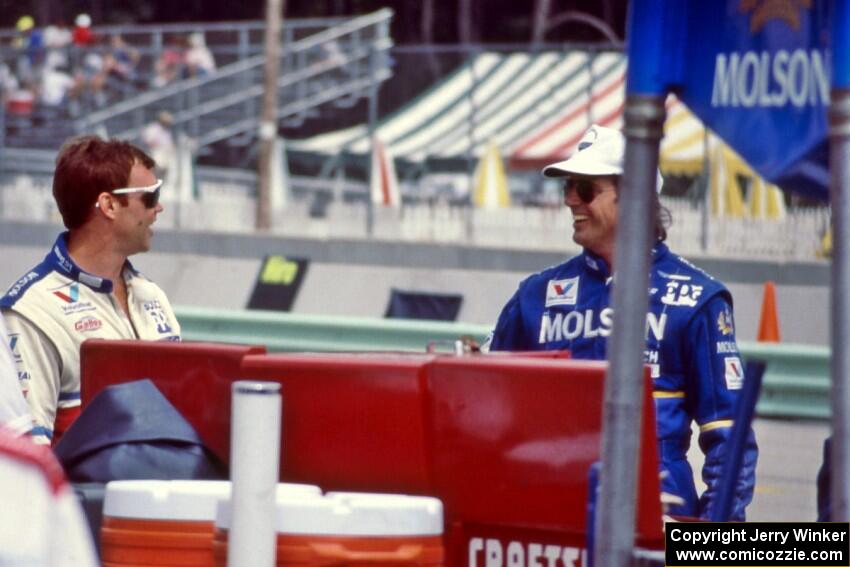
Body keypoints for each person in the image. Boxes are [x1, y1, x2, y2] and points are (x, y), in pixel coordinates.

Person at [485, 124, 758, 521]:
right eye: (567, 188)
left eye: (584, 188)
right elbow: (489, 411)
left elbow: (729, 440)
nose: (570, 200)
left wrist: (713, 543)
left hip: (656, 518)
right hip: (552, 513)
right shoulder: (535, 297)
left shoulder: (698, 300)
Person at [1, 136, 181, 446]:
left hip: (163, 485)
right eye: (151, 197)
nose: (159, 208)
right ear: (109, 205)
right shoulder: (30, 312)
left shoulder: (151, 295)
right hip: (90, 493)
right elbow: (31, 454)